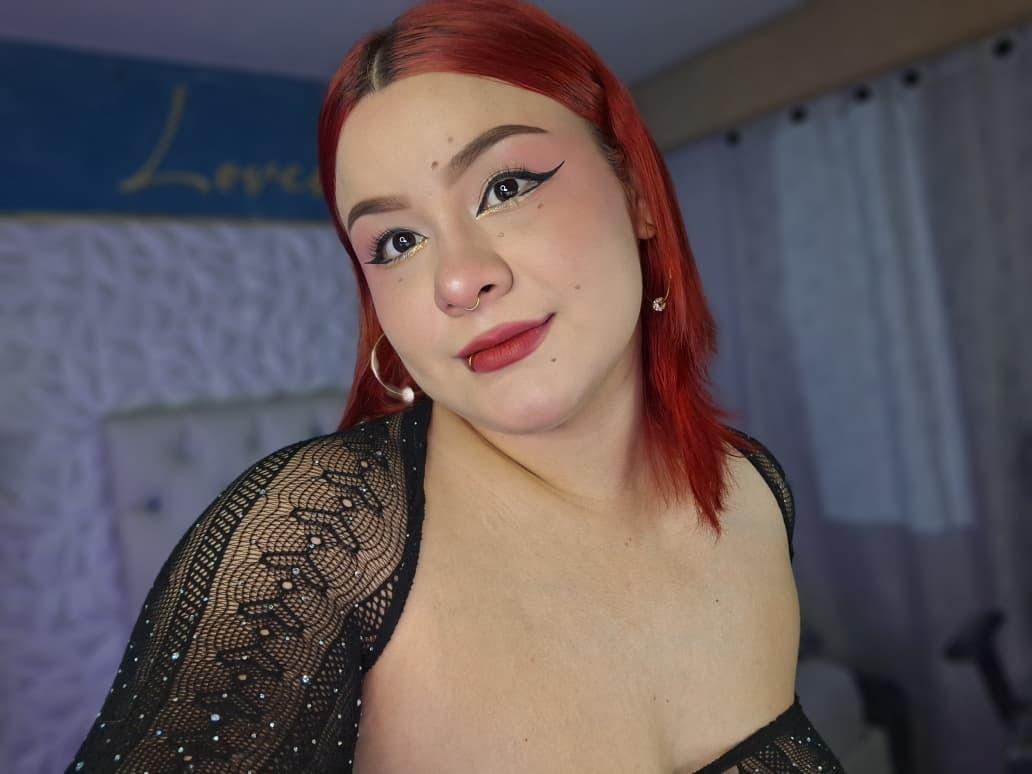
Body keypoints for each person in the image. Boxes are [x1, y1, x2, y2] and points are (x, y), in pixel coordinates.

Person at [67, 0, 846, 771]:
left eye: (505, 188)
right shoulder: (318, 550)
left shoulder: (753, 493)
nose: (459, 280)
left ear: (637, 195)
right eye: (398, 241)